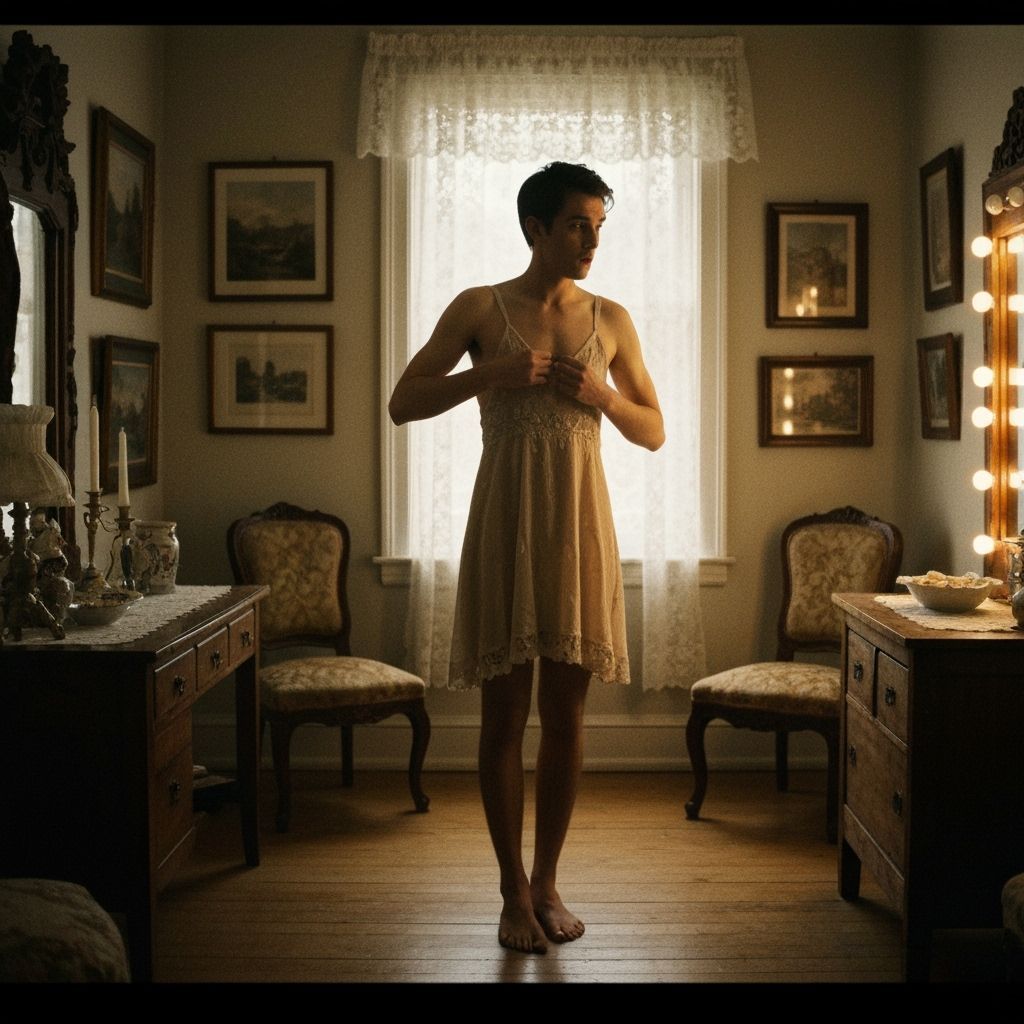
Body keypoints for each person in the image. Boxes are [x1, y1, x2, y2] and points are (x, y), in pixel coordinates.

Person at [389, 161, 664, 954]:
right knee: (505, 715)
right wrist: (492, 376)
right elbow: (403, 402)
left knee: (569, 715)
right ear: (535, 227)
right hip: (505, 522)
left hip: (581, 526)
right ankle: (510, 889)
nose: (591, 240)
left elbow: (654, 429)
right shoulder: (480, 308)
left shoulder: (611, 317)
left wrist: (603, 398)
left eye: (600, 226)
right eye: (578, 223)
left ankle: (549, 881)